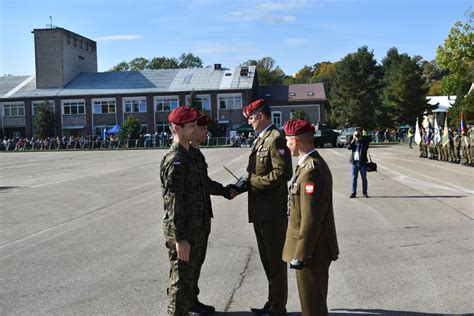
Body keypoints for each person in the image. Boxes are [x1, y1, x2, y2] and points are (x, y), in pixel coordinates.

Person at [282, 119, 339, 316]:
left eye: (288, 140)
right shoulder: (306, 165)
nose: (287, 144)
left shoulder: (311, 170)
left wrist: (301, 254)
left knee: (312, 306)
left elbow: (311, 218)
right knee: (312, 303)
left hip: (312, 251)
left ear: (296, 141)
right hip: (311, 248)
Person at [241, 99, 293, 316]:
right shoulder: (261, 139)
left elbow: (283, 173)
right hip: (260, 211)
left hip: (272, 212)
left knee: (276, 262)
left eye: (251, 118)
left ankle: (278, 307)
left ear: (261, 115)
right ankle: (272, 302)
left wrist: (253, 182)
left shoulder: (276, 139)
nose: (250, 122)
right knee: (267, 261)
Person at [188, 113, 238, 315]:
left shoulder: (197, 154)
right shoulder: (184, 155)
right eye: (203, 128)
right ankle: (185, 303)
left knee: (197, 261)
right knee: (187, 265)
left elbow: (205, 184)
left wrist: (226, 191)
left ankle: (192, 299)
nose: (207, 132)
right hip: (190, 220)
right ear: (192, 130)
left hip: (201, 218)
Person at [160, 105, 203, 316]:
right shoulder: (175, 160)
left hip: (192, 231)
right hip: (183, 234)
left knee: (186, 286)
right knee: (179, 286)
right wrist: (180, 238)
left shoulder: (188, 155)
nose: (195, 129)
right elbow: (173, 202)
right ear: (177, 128)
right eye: (191, 125)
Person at [348, 127, 369, 198]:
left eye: (358, 133)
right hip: (354, 162)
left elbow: (365, 148)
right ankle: (353, 192)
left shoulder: (364, 141)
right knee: (354, 178)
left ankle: (364, 192)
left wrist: (360, 140)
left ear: (361, 133)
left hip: (362, 162)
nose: (357, 135)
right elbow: (349, 147)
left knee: (364, 178)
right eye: (356, 133)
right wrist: (354, 140)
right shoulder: (353, 140)